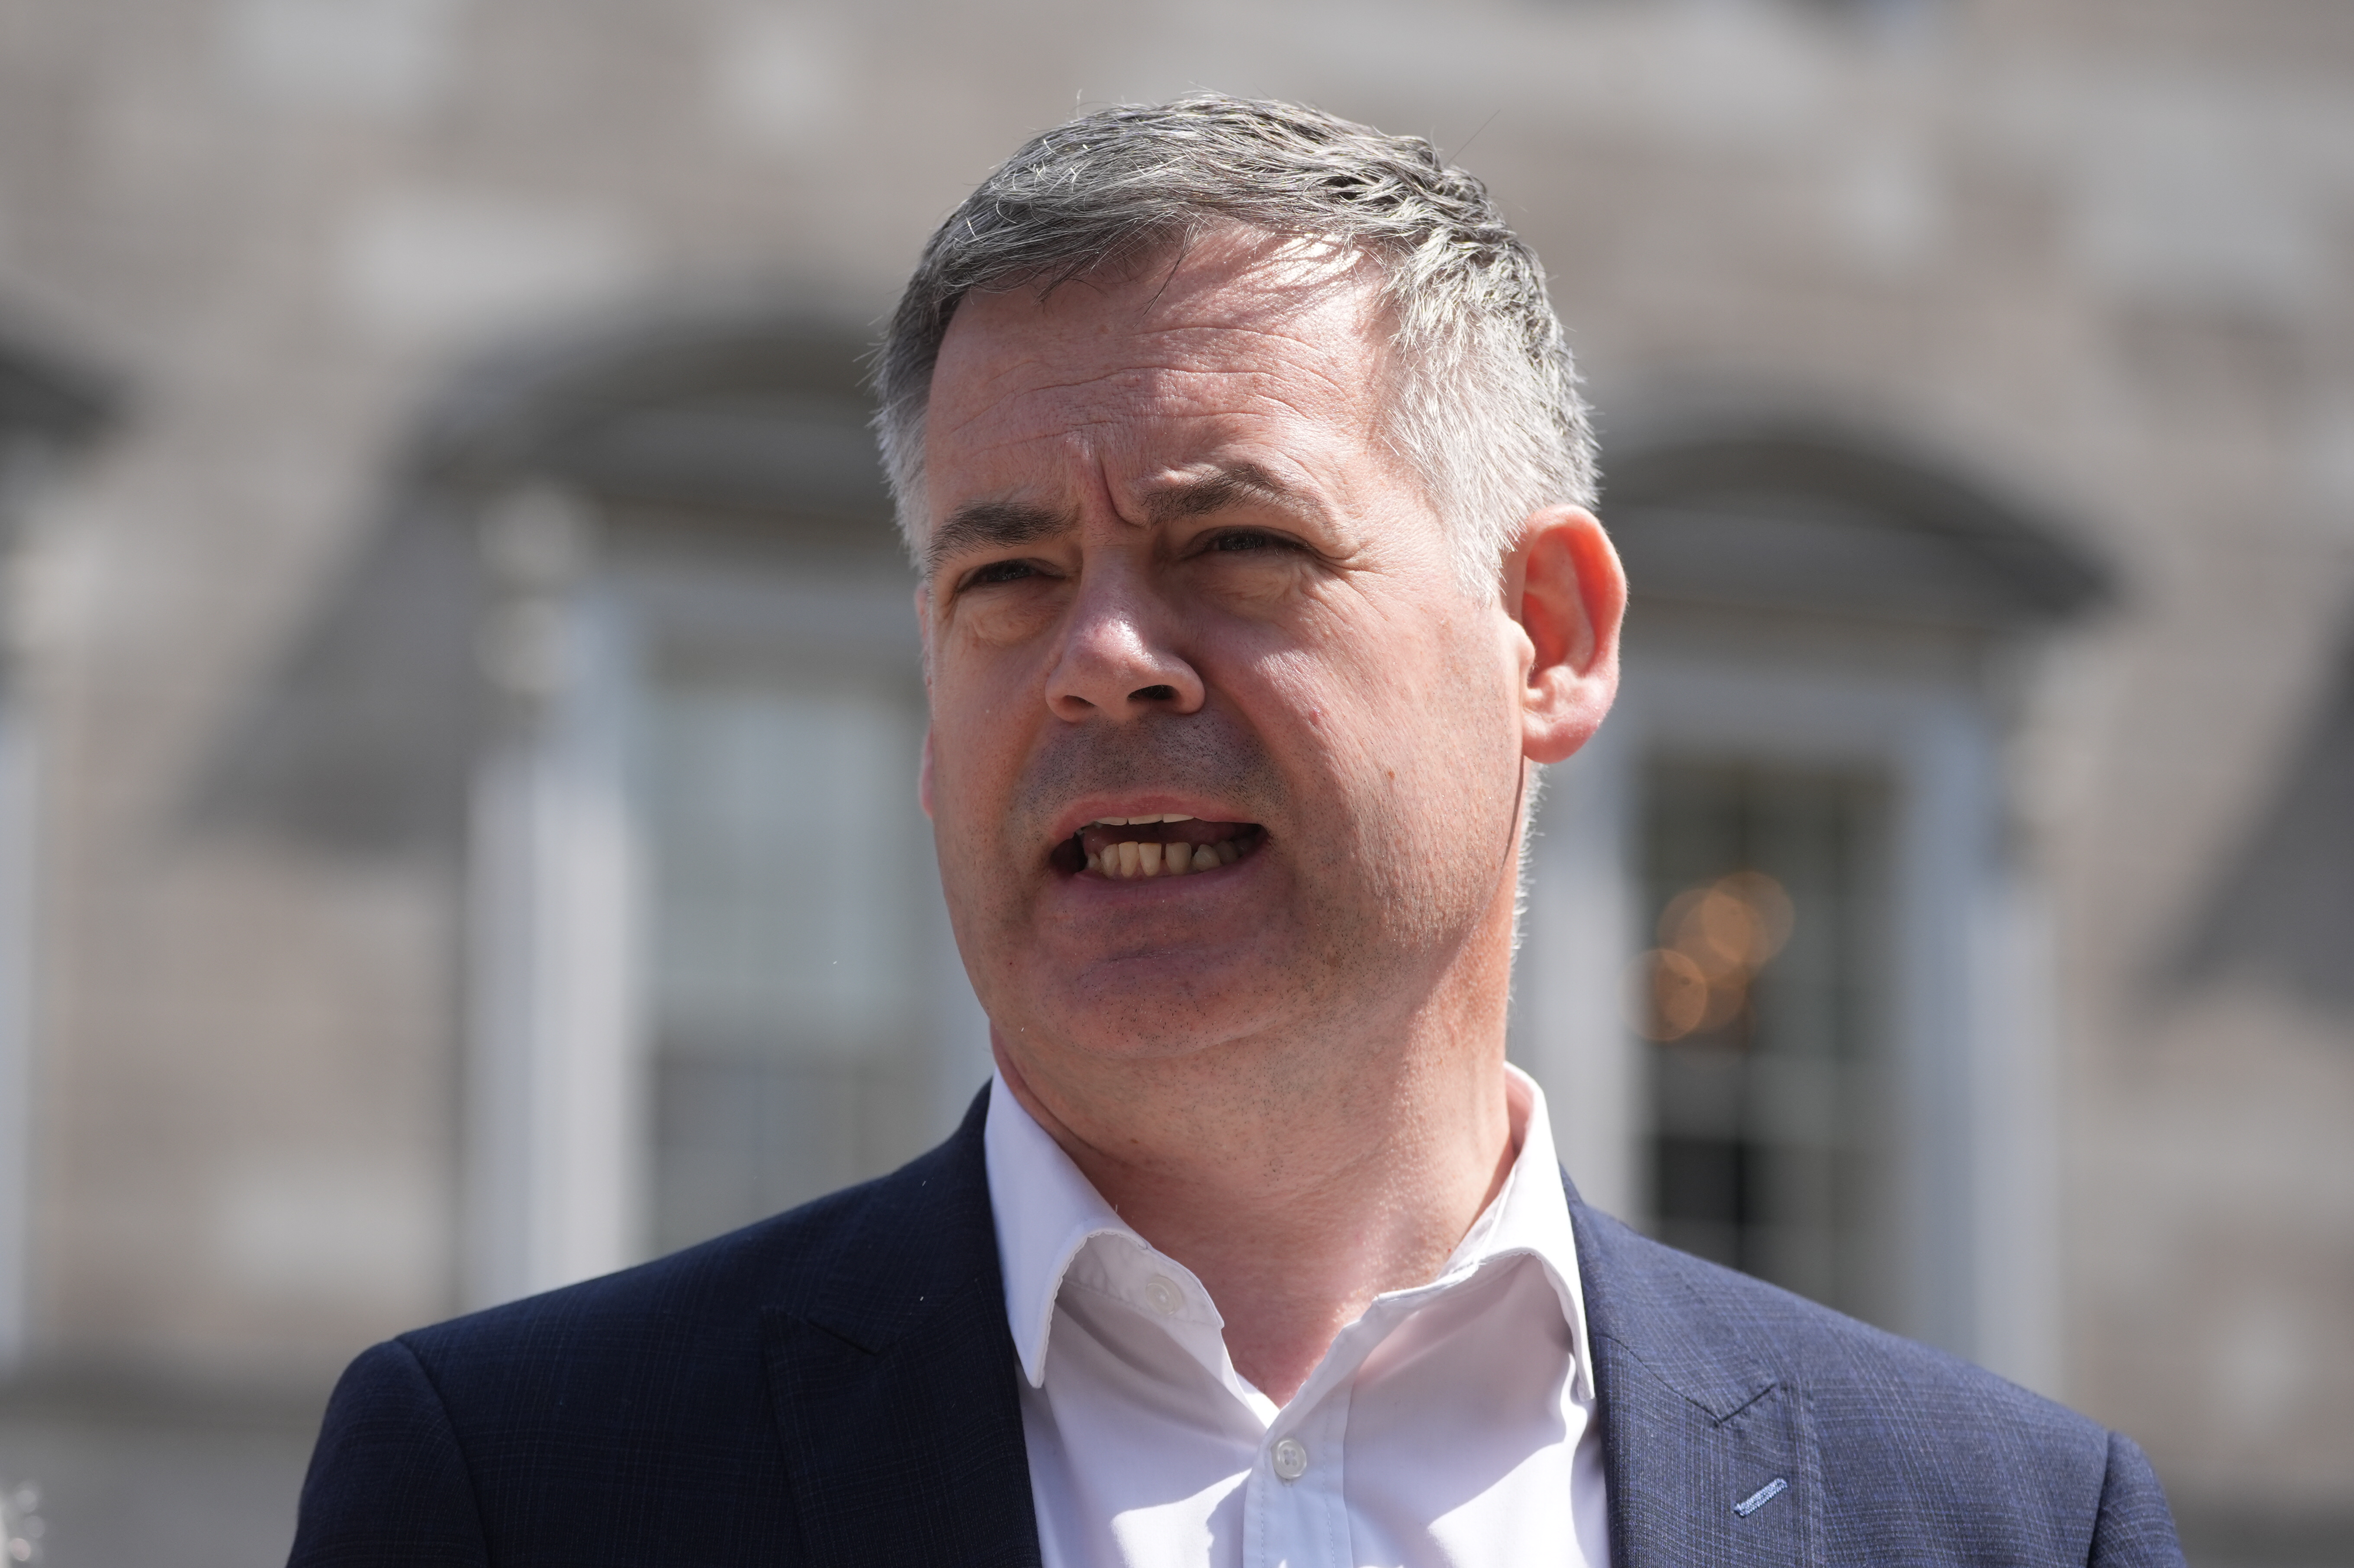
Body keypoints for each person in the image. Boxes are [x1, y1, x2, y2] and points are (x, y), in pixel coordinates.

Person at [288, 95, 2184, 1567]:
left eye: (1236, 547)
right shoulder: (515, 1491)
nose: (1102, 659)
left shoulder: (2006, 1529)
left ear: (1549, 637)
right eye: (1006, 578)